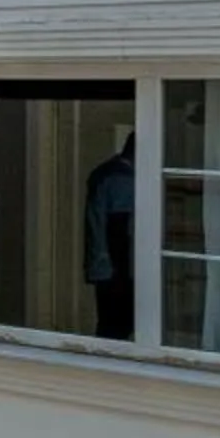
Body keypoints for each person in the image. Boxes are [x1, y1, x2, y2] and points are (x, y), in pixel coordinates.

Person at [84, 130, 137, 339]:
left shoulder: (104, 173)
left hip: (106, 264)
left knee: (109, 323)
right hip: (118, 265)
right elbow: (119, 230)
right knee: (117, 326)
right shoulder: (121, 180)